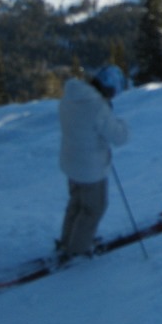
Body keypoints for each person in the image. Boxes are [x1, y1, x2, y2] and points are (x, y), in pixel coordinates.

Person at [57, 64, 129, 260]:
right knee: (93, 209)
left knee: (76, 204)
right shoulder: (97, 106)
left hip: (71, 163)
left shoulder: (71, 97)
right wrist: (120, 122)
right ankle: (78, 249)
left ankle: (67, 241)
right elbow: (119, 136)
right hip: (90, 170)